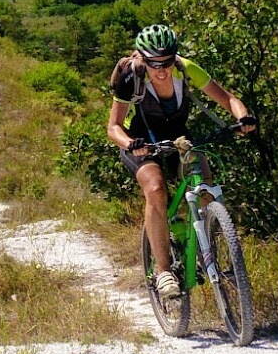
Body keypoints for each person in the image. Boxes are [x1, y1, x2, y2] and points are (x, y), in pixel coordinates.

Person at [107, 24, 256, 300]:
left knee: (205, 182)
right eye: (154, 64)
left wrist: (243, 117)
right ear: (143, 59)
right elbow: (113, 127)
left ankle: (206, 248)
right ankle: (163, 271)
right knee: (155, 188)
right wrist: (130, 144)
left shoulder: (186, 68)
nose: (162, 70)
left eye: (166, 62)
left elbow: (228, 98)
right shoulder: (131, 76)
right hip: (141, 142)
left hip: (179, 139)